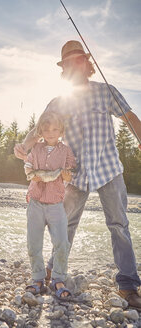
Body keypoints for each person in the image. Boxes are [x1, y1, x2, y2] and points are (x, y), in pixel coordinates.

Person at [14, 40, 141, 310]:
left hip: (108, 169)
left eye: (78, 60)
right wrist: (24, 147)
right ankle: (52, 272)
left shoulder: (107, 91)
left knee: (119, 226)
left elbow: (130, 117)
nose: (73, 66)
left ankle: (128, 285)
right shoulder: (59, 101)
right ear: (64, 69)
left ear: (87, 63)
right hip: (73, 174)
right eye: (68, 63)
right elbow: (38, 131)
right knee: (65, 226)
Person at [24, 110, 76, 300]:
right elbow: (27, 166)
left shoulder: (66, 151)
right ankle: (38, 278)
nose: (51, 133)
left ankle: (58, 279)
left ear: (61, 131)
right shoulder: (36, 149)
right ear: (41, 132)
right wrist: (31, 174)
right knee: (34, 244)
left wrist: (67, 175)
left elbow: (70, 170)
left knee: (62, 243)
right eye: (46, 130)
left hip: (56, 204)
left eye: (55, 129)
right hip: (35, 202)